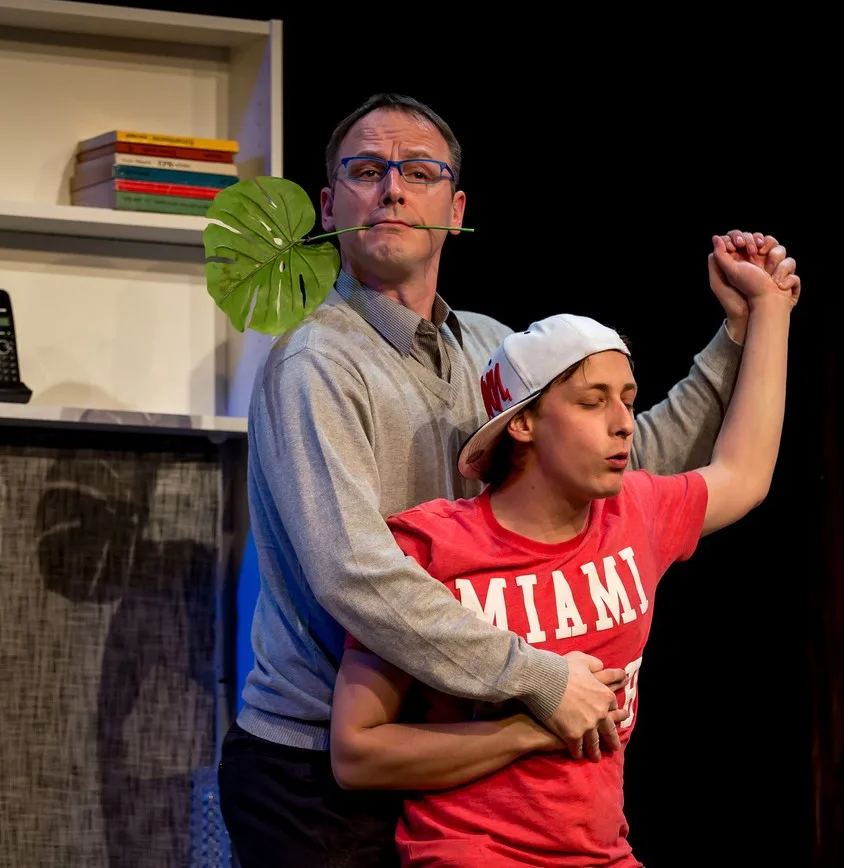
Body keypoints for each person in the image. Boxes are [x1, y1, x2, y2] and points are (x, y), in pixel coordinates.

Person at [216, 90, 800, 867]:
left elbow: (627, 461)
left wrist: (737, 335)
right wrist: (537, 678)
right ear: (329, 206)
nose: (391, 189)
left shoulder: (486, 346)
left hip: (445, 747)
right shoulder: (315, 363)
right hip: (318, 764)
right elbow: (354, 571)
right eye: (365, 170)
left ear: (455, 209)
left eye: (419, 172)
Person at [328, 234, 799, 866]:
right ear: (522, 422)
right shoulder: (432, 547)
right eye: (592, 401)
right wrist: (529, 729)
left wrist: (769, 310)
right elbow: (357, 755)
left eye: (627, 399)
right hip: (471, 853)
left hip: (603, 853)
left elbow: (745, 473)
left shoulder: (635, 512)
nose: (623, 423)